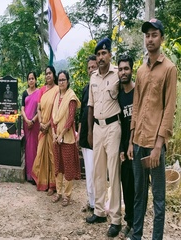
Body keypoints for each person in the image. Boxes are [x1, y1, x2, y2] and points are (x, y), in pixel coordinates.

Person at [127, 19, 177, 240]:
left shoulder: (169, 69)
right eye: (147, 35)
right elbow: (136, 106)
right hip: (138, 143)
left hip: (155, 146)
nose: (150, 39)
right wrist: (131, 141)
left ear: (161, 38)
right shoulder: (140, 71)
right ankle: (136, 235)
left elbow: (168, 109)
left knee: (158, 199)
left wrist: (158, 146)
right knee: (139, 195)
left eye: (154, 35)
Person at [86, 38, 122, 238]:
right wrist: (90, 131)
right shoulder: (93, 78)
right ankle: (99, 211)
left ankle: (116, 218)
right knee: (98, 171)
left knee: (113, 172)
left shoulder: (117, 74)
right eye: (98, 54)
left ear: (110, 55)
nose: (101, 57)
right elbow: (90, 106)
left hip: (113, 127)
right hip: (97, 129)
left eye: (104, 54)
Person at [51, 70, 81, 206]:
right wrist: (53, 132)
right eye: (60, 80)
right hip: (56, 137)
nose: (61, 82)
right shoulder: (57, 96)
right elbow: (53, 117)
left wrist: (62, 134)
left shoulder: (71, 97)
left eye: (63, 80)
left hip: (67, 138)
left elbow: (70, 118)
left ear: (68, 81)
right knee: (58, 165)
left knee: (68, 167)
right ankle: (58, 192)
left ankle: (67, 195)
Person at [31, 66, 59, 194]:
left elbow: (57, 111)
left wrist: (48, 124)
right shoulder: (42, 90)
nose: (48, 76)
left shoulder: (58, 90)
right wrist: (41, 122)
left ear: (54, 75)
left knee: (52, 155)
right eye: (46, 73)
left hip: (52, 128)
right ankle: (43, 181)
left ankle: (53, 185)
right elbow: (39, 108)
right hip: (42, 127)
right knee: (41, 154)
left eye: (50, 73)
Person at [117, 54, 135, 239]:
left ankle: (136, 226)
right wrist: (122, 148)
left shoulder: (138, 92)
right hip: (124, 150)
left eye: (126, 69)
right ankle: (129, 221)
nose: (123, 72)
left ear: (132, 69)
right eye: (120, 69)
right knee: (127, 186)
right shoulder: (119, 95)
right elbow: (121, 125)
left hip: (139, 146)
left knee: (139, 189)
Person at [77, 54, 98, 213]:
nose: (91, 70)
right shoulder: (86, 89)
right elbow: (82, 114)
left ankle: (97, 204)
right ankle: (91, 202)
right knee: (88, 171)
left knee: (95, 172)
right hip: (84, 135)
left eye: (94, 67)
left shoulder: (101, 88)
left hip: (97, 135)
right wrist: (79, 134)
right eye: (89, 67)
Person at [21, 71, 40, 183]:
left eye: (33, 78)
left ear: (36, 80)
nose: (31, 80)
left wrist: (33, 120)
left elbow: (40, 109)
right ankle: (28, 175)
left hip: (35, 123)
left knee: (35, 148)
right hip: (26, 123)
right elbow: (22, 108)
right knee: (28, 148)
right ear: (27, 81)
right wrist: (27, 120)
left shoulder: (39, 92)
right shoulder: (24, 93)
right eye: (29, 79)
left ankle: (36, 175)